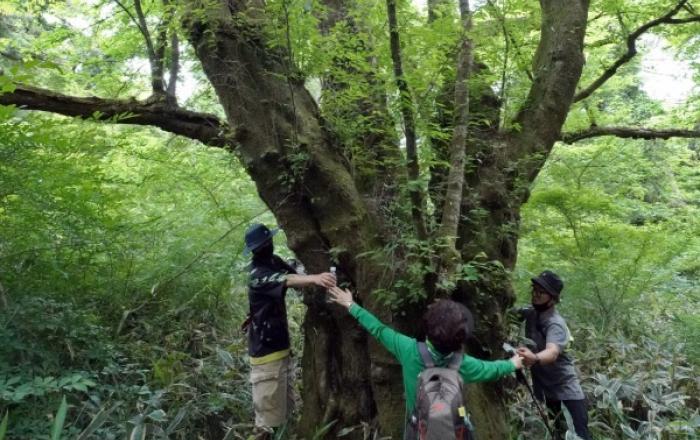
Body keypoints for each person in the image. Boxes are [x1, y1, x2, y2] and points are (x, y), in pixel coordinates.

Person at [327, 286, 523, 437]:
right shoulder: (464, 364)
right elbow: (492, 369)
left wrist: (350, 304)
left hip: (418, 431)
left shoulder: (409, 350)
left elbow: (378, 329)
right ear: (461, 340)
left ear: (428, 330)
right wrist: (514, 363)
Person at [243, 223, 336, 438]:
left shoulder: (273, 261)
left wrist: (311, 276)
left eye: (267, 242)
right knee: (267, 423)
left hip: (281, 350)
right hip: (265, 356)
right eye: (263, 245)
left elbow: (292, 273)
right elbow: (286, 280)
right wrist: (315, 278)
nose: (267, 246)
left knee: (284, 413)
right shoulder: (256, 274)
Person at [515, 270, 591, 440]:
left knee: (579, 436)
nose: (535, 294)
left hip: (566, 393)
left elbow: (552, 352)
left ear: (553, 298)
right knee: (559, 433)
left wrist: (534, 358)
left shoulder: (555, 323)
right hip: (548, 392)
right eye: (534, 289)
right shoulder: (531, 313)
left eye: (541, 292)